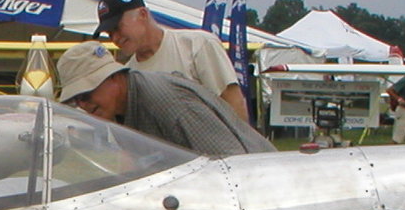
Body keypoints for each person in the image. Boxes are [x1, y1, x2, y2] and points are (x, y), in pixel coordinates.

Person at [56, 42, 274, 156]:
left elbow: (230, 162)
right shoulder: (120, 110)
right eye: (77, 100)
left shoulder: (167, 102)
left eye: (87, 94)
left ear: (113, 78)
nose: (84, 105)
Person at [96, 0, 253, 122]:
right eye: (109, 34)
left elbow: (234, 102)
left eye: (117, 28)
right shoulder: (130, 75)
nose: (115, 38)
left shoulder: (197, 45)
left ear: (143, 14)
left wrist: (243, 153)